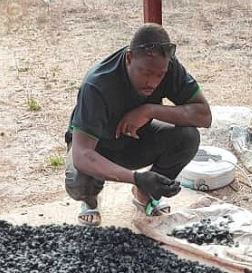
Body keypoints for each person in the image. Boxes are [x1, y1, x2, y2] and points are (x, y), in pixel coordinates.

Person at [65, 23, 212, 226]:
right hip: (99, 148)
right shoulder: (97, 84)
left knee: (188, 137)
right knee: (79, 181)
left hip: (136, 140)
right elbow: (82, 155)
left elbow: (204, 115)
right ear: (129, 58)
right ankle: (90, 201)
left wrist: (149, 110)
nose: (152, 81)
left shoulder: (166, 66)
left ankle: (144, 194)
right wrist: (136, 177)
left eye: (159, 75)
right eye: (145, 72)